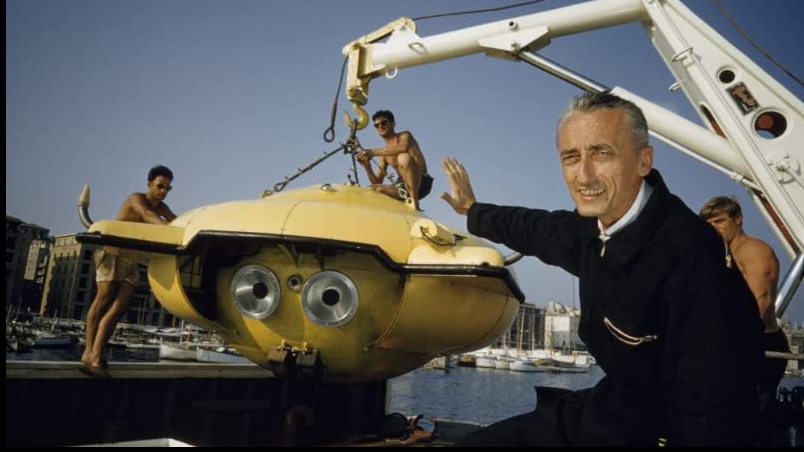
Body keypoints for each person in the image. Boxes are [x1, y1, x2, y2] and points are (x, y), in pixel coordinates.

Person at [441, 92, 763, 446]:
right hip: (614, 405)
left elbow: (712, 411)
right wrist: (472, 211)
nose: (584, 174)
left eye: (602, 153)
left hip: (667, 426)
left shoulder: (691, 256)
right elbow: (533, 227)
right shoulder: (591, 229)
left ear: (644, 161)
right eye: (571, 157)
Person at [700, 196, 789, 444]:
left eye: (720, 221)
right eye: (709, 224)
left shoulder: (753, 249)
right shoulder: (724, 255)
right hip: (738, 343)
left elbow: (759, 301)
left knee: (751, 419)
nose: (715, 228)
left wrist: (733, 345)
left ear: (737, 219)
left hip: (760, 344)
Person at [80, 165, 177, 376]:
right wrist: (172, 230)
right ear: (149, 184)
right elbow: (147, 215)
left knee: (118, 309)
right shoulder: (136, 198)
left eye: (167, 189)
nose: (163, 192)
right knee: (103, 301)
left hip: (133, 261)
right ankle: (90, 353)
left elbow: (176, 221)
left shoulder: (162, 208)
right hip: (113, 254)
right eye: (160, 186)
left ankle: (96, 353)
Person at [356, 110, 432, 210]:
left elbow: (403, 148)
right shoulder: (384, 154)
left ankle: (414, 203)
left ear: (393, 123)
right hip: (402, 187)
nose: (380, 126)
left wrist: (373, 152)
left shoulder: (405, 136)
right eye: (376, 125)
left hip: (421, 182)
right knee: (372, 189)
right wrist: (367, 166)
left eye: (384, 123)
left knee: (403, 158)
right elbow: (377, 180)